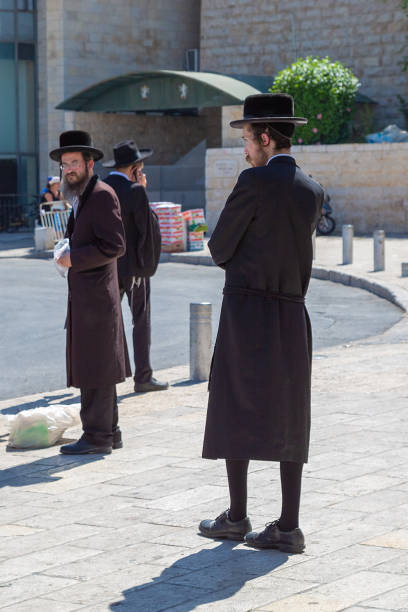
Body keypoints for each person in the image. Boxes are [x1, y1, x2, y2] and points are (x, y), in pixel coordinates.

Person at [198, 94, 323, 553]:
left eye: (248, 139)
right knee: (291, 410)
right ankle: (288, 525)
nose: (245, 149)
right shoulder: (312, 188)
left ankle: (236, 517)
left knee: (236, 403)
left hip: (247, 309)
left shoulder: (253, 182)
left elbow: (219, 249)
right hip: (292, 310)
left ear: (266, 138)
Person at [51, 130, 131, 455]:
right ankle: (109, 432)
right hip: (88, 300)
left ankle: (97, 437)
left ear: (89, 162)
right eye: (64, 164)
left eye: (74, 163)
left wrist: (74, 258)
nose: (68, 169)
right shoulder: (83, 196)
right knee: (96, 367)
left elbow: (116, 245)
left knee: (95, 368)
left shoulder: (101, 194)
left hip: (97, 301)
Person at [103, 140, 168, 393]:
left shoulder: (101, 187)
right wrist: (142, 189)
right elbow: (147, 229)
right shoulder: (134, 190)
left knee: (109, 321)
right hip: (135, 269)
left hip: (107, 267)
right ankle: (143, 376)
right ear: (134, 168)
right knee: (140, 320)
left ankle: (109, 376)